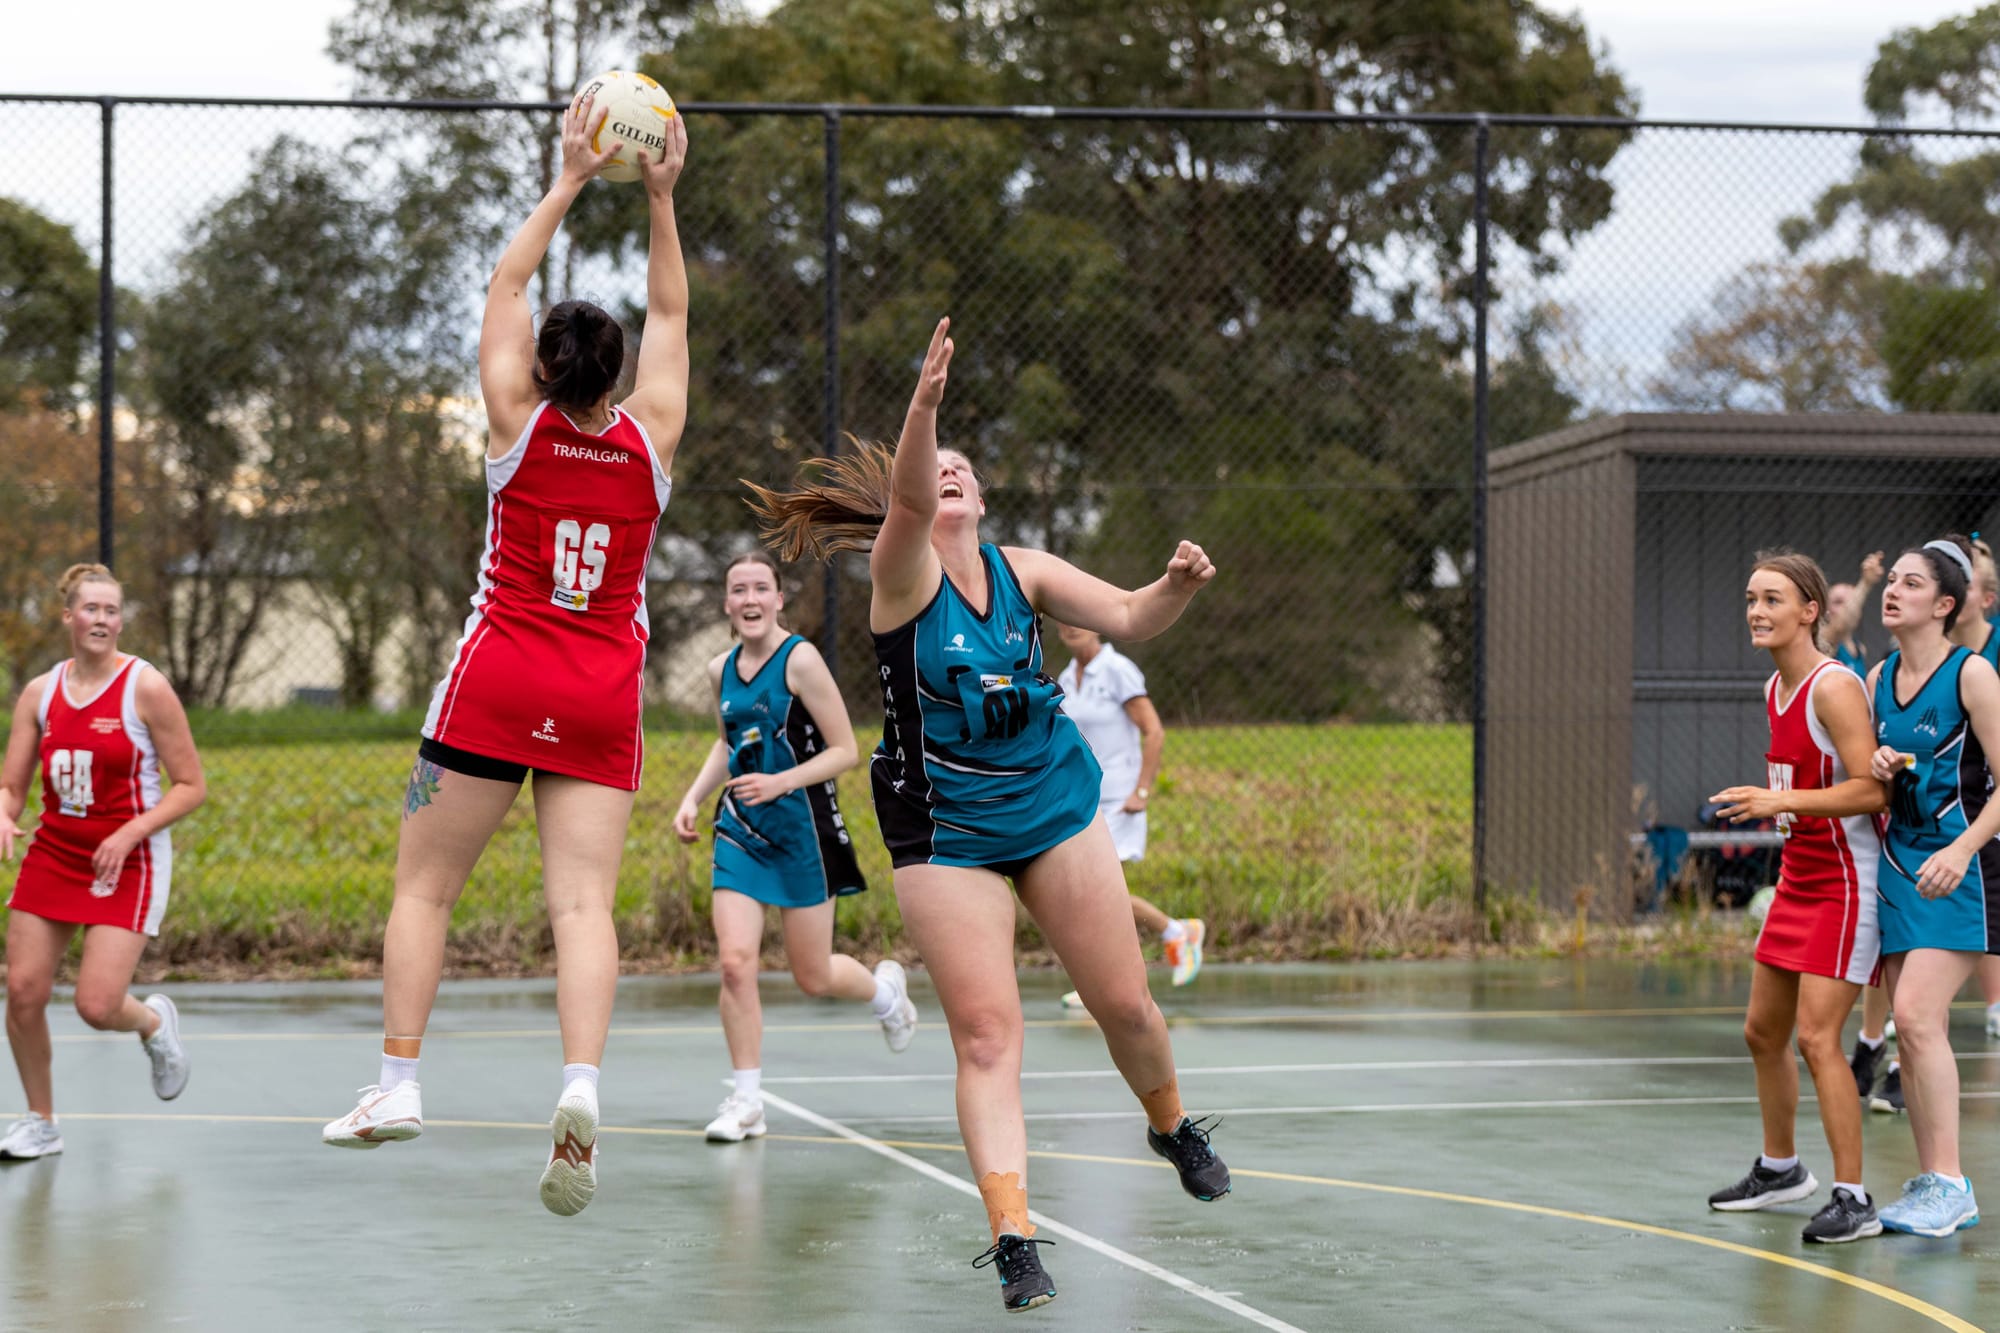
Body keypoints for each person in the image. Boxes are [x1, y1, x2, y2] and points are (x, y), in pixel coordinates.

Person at [746, 318, 1229, 1313]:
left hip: (1048, 800)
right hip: (945, 828)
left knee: (1126, 1005)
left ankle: (1171, 1124)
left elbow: (1129, 615)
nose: (950, 473)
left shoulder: (1026, 572)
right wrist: (922, 406)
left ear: (984, 498)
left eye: (963, 467)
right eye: (937, 468)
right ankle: (1013, 1237)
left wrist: (1175, 586)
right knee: (984, 1034)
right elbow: (912, 498)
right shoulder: (901, 575)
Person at [320, 94, 690, 1221]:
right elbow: (673, 310)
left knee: (424, 889)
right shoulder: (652, 439)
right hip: (599, 690)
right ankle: (580, 1085)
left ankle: (397, 1084)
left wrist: (571, 176)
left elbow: (505, 282)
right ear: (617, 373)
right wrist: (661, 199)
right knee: (581, 907)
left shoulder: (512, 421)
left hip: (499, 676)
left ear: (540, 367)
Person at [672, 550, 919, 1143]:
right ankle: (747, 1102)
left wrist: (781, 781)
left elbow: (845, 750)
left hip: (804, 830)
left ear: (779, 599)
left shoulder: (801, 660)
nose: (750, 599)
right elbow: (728, 744)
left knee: (813, 975)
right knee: (736, 964)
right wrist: (694, 796)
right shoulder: (719, 670)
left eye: (761, 588)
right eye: (739, 590)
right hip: (740, 830)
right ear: (727, 604)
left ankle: (886, 994)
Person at [1705, 552, 1887, 1244]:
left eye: (1772, 599)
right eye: (1752, 598)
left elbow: (1872, 791)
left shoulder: (1832, 687)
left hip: (1845, 883)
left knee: (1816, 1037)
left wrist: (1779, 801)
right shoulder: (1773, 688)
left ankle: (1854, 1198)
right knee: (1762, 1032)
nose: (1757, 611)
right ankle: (1780, 1168)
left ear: (1810, 611)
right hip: (1799, 877)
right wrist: (1781, 807)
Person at [0, 564, 205, 1160]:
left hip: (127, 862)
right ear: (69, 616)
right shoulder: (40, 694)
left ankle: (152, 1025)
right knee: (23, 991)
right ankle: (41, 1122)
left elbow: (191, 785)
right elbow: (12, 787)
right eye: (90, 609)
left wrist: (128, 833)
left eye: (111, 610)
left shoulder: (146, 687)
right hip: (55, 853)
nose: (102, 619)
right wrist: (4, 813)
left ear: (120, 621)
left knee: (96, 1006)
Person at [1862, 536, 2000, 1238]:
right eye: (1892, 579)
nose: (1893, 590)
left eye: (1911, 583)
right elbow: (1886, 782)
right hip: (1900, 865)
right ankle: (1931, 1181)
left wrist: (1962, 847)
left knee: (1914, 1015)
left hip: (1963, 867)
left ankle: (1951, 1182)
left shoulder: (1973, 674)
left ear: (1946, 604)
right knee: (1920, 1032)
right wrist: (1883, 768)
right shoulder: (1877, 677)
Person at [1050, 622, 1203, 1007]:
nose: (1070, 627)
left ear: (1094, 625)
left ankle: (1172, 936)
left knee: (1103, 894)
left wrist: (1142, 790)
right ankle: (1170, 936)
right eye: (1062, 620)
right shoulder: (1066, 678)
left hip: (1121, 799)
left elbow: (1154, 731)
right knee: (1089, 896)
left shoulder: (1118, 670)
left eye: (1077, 619)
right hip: (1085, 799)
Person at [1825, 550, 1884, 677]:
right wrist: (1866, 583)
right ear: (1826, 610)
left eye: (1851, 601)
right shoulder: (1825, 640)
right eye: (1838, 602)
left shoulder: (1860, 648)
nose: (1847, 607)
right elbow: (1841, 624)